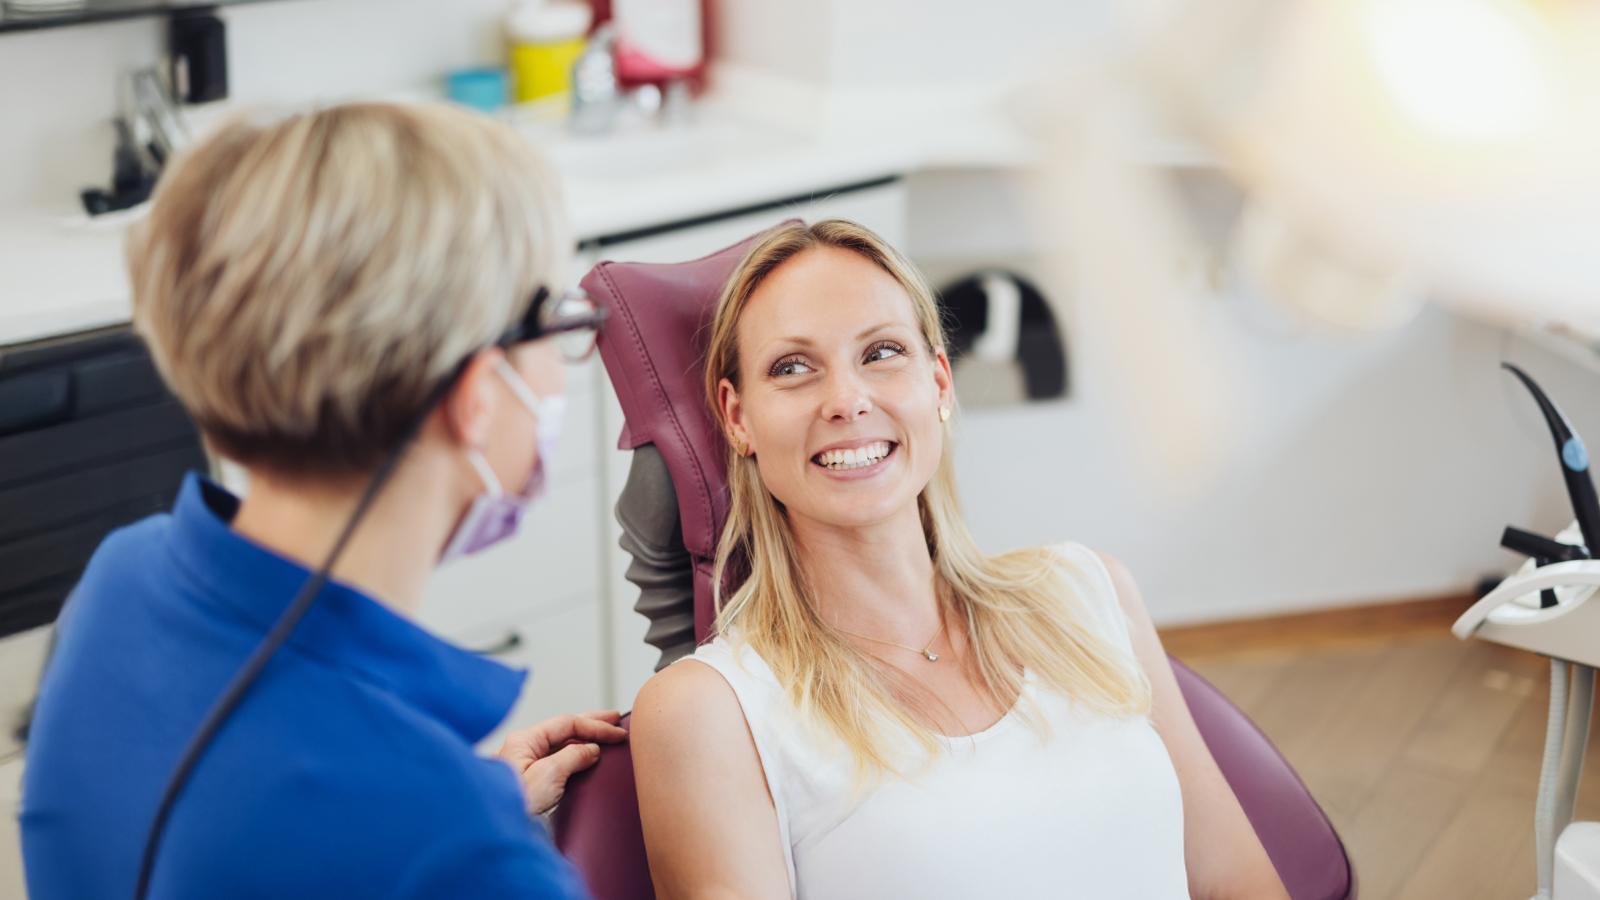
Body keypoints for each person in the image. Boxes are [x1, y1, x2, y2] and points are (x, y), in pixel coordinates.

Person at [19, 102, 623, 898]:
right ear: (476, 394)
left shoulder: (120, 579)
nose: (560, 366)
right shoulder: (466, 859)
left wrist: (444, 799)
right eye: (554, 321)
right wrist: (448, 828)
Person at [630, 219, 1290, 899]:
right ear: (737, 417)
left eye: (882, 352)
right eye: (793, 368)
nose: (847, 400)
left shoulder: (1089, 593)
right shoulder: (713, 710)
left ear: (940, 383)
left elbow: (1237, 883)